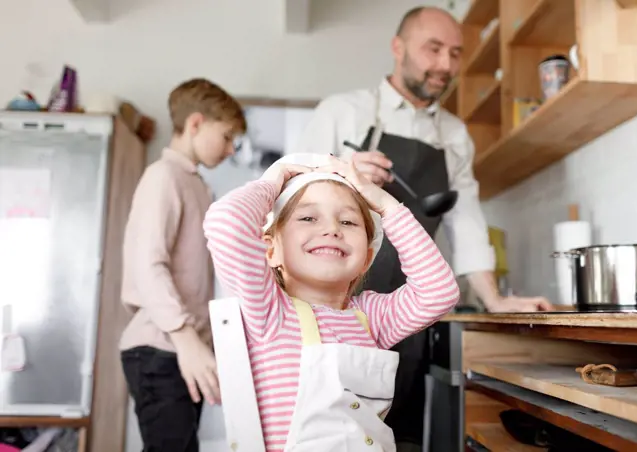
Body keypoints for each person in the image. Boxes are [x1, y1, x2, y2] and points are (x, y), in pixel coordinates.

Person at [295, 6, 553, 451]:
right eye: (433, 49)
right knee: (328, 429)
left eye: (455, 53)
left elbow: (466, 216)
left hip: (410, 308)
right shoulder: (343, 112)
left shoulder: (454, 135)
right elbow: (289, 193)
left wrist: (493, 298)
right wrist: (340, 172)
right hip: (334, 305)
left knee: (399, 429)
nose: (446, 66)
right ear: (398, 49)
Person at [202, 153, 460, 451]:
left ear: (366, 259)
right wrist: (273, 180)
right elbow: (225, 223)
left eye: (349, 221)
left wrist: (387, 206)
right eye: (308, 217)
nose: (332, 229)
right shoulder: (269, 310)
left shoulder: (370, 318)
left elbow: (439, 292)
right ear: (271, 251)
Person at [119, 78, 247, 452]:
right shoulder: (163, 177)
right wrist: (185, 337)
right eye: (226, 136)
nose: (231, 147)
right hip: (161, 347)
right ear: (195, 124)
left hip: (179, 347)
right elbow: (148, 266)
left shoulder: (197, 185)